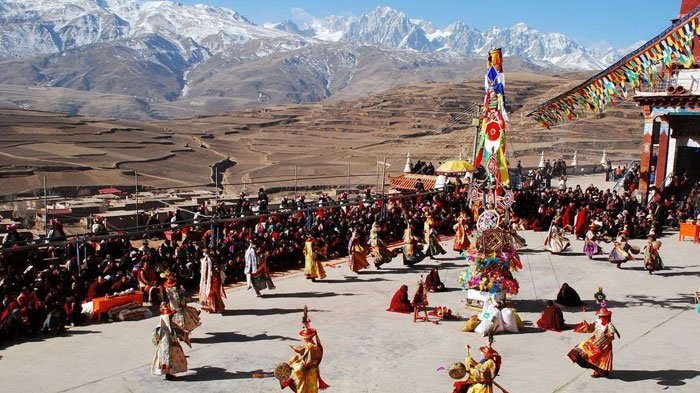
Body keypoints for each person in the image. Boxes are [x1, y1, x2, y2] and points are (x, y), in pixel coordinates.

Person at [280, 307, 329, 392]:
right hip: (313, 371)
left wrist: (294, 367)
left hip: (309, 372)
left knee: (304, 389)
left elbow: (307, 362)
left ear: (306, 337)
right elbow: (301, 357)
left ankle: (287, 382)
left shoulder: (310, 347)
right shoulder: (311, 346)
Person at [567, 305, 620, 378]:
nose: (602, 318)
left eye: (604, 316)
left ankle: (599, 371)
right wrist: (586, 324)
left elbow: (611, 335)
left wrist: (605, 338)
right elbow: (590, 329)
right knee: (582, 347)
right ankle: (597, 369)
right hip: (595, 340)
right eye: (601, 316)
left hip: (605, 344)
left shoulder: (609, 325)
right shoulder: (597, 322)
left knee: (601, 359)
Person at [151, 303, 190, 380]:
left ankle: (167, 373)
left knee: (165, 360)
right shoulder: (171, 326)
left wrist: (157, 342)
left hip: (163, 347)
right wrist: (184, 334)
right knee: (171, 359)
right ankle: (169, 374)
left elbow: (155, 336)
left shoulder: (159, 326)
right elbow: (180, 332)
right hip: (172, 345)